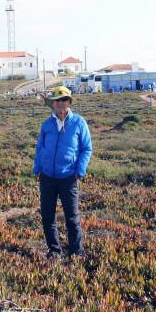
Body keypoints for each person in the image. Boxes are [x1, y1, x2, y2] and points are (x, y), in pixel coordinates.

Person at [33, 86, 93, 259]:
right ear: (52, 103)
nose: (60, 103)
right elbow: (40, 148)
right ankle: (54, 251)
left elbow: (86, 148)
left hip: (68, 177)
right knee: (47, 216)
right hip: (47, 177)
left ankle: (76, 253)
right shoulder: (46, 124)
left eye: (64, 99)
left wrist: (79, 171)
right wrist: (38, 169)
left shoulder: (79, 122)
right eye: (57, 100)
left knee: (72, 217)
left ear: (69, 102)